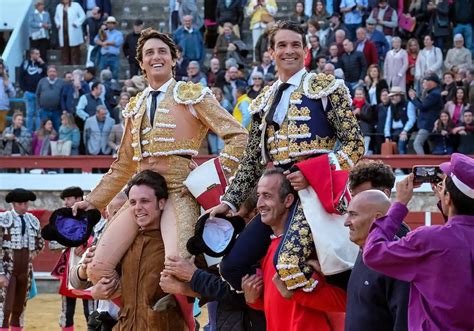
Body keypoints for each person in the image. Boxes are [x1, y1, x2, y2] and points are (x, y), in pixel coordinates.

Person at [72, 28, 247, 330]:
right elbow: (123, 164)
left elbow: (239, 137)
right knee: (98, 267)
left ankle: (185, 311)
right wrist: (93, 201)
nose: (156, 57)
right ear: (141, 63)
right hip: (140, 194)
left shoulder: (193, 95)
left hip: (179, 190)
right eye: (149, 53)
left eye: (162, 51)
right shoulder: (135, 106)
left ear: (173, 58)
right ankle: (130, 308)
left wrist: (213, 174)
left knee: (177, 262)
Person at [210, 20, 364, 293]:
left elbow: (355, 144)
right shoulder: (263, 100)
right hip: (277, 195)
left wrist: (315, 172)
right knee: (231, 266)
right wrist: (231, 202)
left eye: (295, 45)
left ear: (306, 51)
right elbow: (252, 160)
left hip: (316, 193)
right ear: (271, 52)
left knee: (290, 263)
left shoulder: (326, 88)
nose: (289, 51)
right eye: (282, 45)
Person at [363, 154, 474, 330]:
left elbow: (373, 253)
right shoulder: (439, 239)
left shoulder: (429, 239)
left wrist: (399, 204)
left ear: (448, 198)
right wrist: (447, 205)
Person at [241, 169, 347, 331]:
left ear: (288, 200)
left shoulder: (313, 245)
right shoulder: (268, 247)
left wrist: (295, 294)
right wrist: (253, 300)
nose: (259, 204)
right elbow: (280, 304)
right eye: (258, 196)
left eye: (267, 196)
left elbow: (343, 302)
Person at [344, 190, 409, 331]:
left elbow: (403, 321)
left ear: (377, 219)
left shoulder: (394, 259)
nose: (346, 222)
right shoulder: (362, 250)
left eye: (353, 214)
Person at [0, 189, 44, 330]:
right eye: (20, 203)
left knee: (19, 307)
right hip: (8, 268)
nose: (24, 206)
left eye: (26, 203)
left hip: (26, 269)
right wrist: (0, 273)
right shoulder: (3, 219)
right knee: (4, 307)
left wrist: (30, 257)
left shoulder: (32, 220)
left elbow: (40, 243)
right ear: (13, 203)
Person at [53, 186, 95, 331]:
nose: (65, 202)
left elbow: (100, 236)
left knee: (90, 311)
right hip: (69, 267)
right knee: (67, 311)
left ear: (79, 199)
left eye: (68, 199)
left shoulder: (92, 215)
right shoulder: (63, 217)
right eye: (65, 199)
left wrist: (86, 243)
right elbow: (53, 243)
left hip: (88, 266)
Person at [408, 74, 443, 155]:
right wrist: (416, 98)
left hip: (428, 123)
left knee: (417, 143)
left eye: (427, 81)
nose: (425, 83)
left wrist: (413, 98)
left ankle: (423, 165)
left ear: (433, 82)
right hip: (428, 123)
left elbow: (422, 107)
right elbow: (424, 105)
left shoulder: (434, 94)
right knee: (430, 145)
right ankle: (428, 166)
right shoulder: (432, 93)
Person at [384, 86, 416, 155]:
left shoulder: (408, 104)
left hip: (405, 130)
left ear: (400, 96)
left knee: (401, 147)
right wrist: (387, 136)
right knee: (391, 150)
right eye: (391, 96)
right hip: (394, 131)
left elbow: (412, 119)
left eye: (394, 96)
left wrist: (405, 131)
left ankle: (402, 165)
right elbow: (388, 122)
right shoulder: (390, 107)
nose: (392, 98)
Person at [54, 0, 86, 65]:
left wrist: (76, 23)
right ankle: (65, 63)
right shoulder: (59, 6)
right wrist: (58, 24)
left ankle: (75, 63)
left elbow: (83, 16)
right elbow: (56, 17)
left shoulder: (76, 5)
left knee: (74, 48)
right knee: (64, 47)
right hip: (63, 30)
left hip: (73, 29)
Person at [36, 65, 65, 131]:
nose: (52, 73)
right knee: (43, 129)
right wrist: (38, 108)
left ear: (56, 73)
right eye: (50, 71)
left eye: (54, 71)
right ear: (47, 73)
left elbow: (64, 96)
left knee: (57, 128)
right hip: (44, 110)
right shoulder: (42, 81)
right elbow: (37, 94)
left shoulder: (61, 82)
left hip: (56, 111)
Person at [352, 87, 374, 154]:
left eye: (360, 94)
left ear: (364, 95)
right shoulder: (351, 105)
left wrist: (360, 113)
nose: (358, 96)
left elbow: (370, 119)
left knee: (364, 152)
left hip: (365, 132)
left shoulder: (368, 106)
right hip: (354, 133)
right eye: (357, 94)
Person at [0, 62, 16, 133]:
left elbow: (13, 94)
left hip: (3, 108)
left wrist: (8, 86)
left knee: (1, 129)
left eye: (1, 68)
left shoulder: (6, 80)